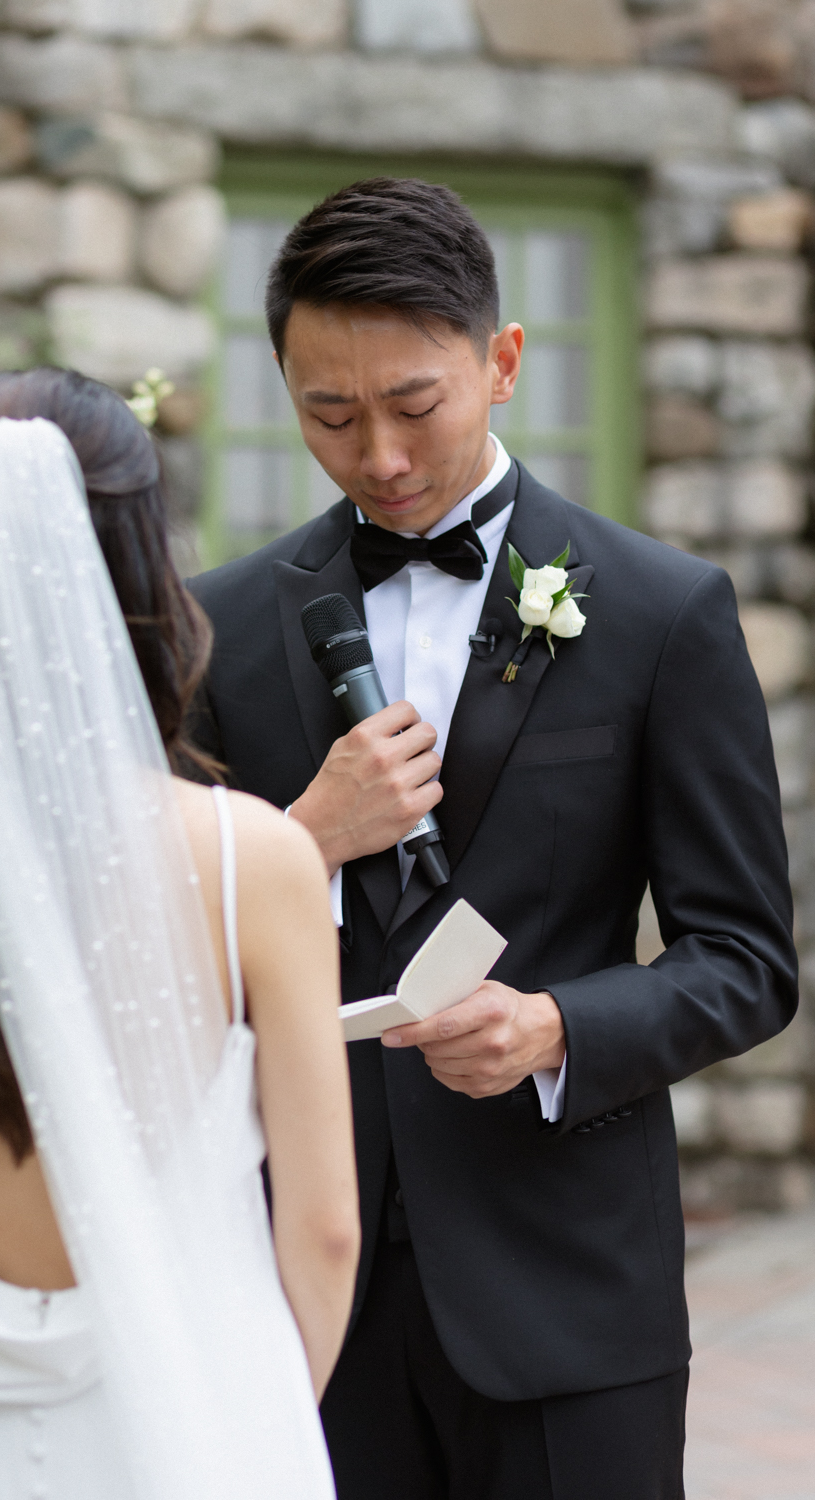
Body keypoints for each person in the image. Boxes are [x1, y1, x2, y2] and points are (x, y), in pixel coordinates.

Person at [187, 177, 798, 1499]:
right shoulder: (217, 630)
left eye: (415, 406)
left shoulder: (661, 610)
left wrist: (562, 1032)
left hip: (569, 1295)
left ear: (503, 362)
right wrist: (305, 838)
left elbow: (746, 959)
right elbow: (151, 950)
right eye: (328, 416)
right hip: (295, 1289)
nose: (381, 458)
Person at [0, 368, 359, 1499]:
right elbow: (323, 1236)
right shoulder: (252, 860)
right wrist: (240, 1421)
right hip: (207, 1440)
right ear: (132, 570)